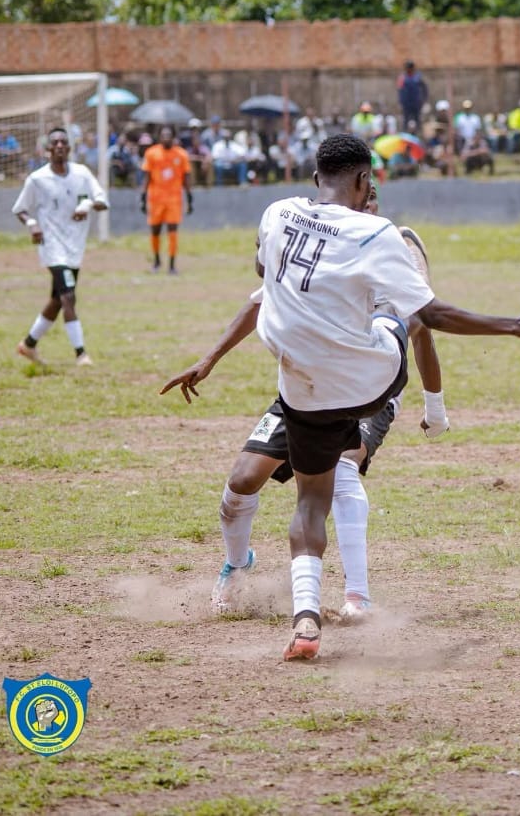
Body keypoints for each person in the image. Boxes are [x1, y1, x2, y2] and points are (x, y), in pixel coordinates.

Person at [242, 133, 520, 660]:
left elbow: (262, 270)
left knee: (310, 500)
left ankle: (305, 620)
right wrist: (514, 325)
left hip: (300, 385)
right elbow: (432, 315)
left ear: (316, 177)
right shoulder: (376, 232)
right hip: (368, 381)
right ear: (365, 180)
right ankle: (336, 604)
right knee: (399, 317)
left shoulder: (277, 214)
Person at [160, 184, 452, 620]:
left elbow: (423, 329)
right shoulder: (322, 249)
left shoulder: (388, 253)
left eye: (372, 199)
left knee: (345, 464)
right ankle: (237, 565)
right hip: (309, 390)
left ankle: (358, 598)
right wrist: (208, 360)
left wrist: (435, 409)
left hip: (368, 392)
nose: (364, 204)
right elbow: (260, 301)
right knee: (242, 481)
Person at [11, 127, 109, 366]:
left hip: (74, 246)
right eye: (54, 143)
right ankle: (81, 354)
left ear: (70, 147)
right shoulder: (37, 179)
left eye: (63, 142)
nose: (59, 146)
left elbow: (102, 201)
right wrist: (32, 224)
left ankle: (28, 345)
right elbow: (20, 209)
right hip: (52, 247)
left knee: (57, 300)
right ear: (47, 149)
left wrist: (87, 205)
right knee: (68, 297)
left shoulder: (82, 173)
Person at [140, 126, 193, 274]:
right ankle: (157, 261)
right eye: (163, 135)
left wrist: (189, 197)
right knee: (155, 230)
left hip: (174, 199)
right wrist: (143, 197)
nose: (166, 138)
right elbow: (147, 177)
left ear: (173, 137)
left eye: (169, 135)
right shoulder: (151, 153)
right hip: (156, 198)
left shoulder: (181, 154)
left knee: (172, 231)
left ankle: (172, 265)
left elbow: (186, 178)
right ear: (159, 137)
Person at [396, 61, 428, 130]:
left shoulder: (418, 77)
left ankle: (418, 132)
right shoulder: (402, 77)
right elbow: (400, 90)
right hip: (406, 103)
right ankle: (405, 132)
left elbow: (424, 88)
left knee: (417, 119)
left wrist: (424, 99)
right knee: (406, 120)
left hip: (416, 103)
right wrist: (400, 102)